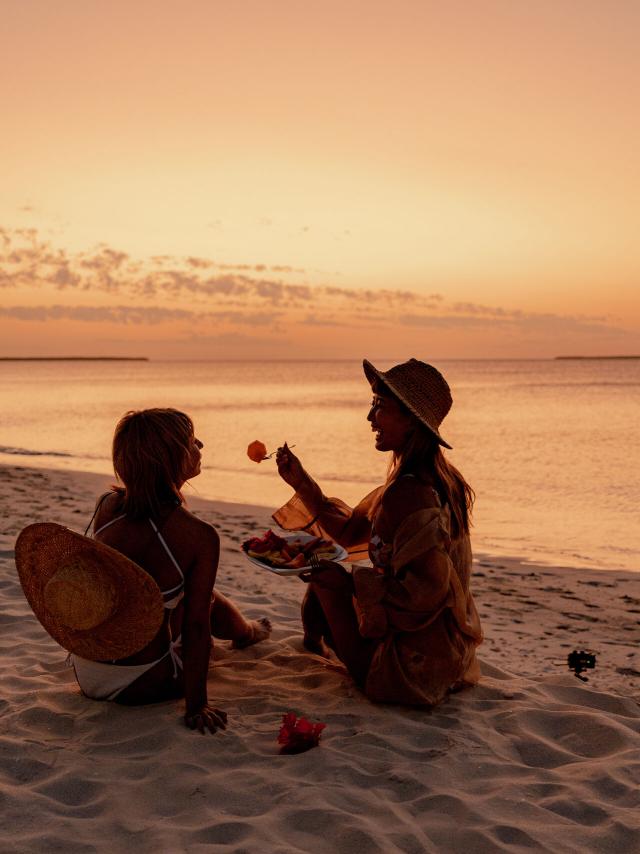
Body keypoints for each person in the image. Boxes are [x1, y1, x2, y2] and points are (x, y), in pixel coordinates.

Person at [274, 359, 482, 706]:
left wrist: (351, 583)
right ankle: (313, 644)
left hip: (411, 671)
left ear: (412, 422)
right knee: (324, 560)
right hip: (446, 653)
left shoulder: (410, 493)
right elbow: (351, 532)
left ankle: (319, 647)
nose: (370, 418)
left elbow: (426, 594)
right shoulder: (439, 478)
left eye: (380, 407)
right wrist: (301, 482)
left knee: (326, 577)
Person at [71, 408, 271, 733]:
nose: (201, 445)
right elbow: (196, 627)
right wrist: (198, 705)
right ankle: (246, 633)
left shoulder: (107, 506)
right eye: (193, 442)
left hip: (87, 671)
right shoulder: (198, 535)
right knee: (201, 601)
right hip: (141, 682)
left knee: (172, 595)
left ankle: (246, 630)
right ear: (173, 459)